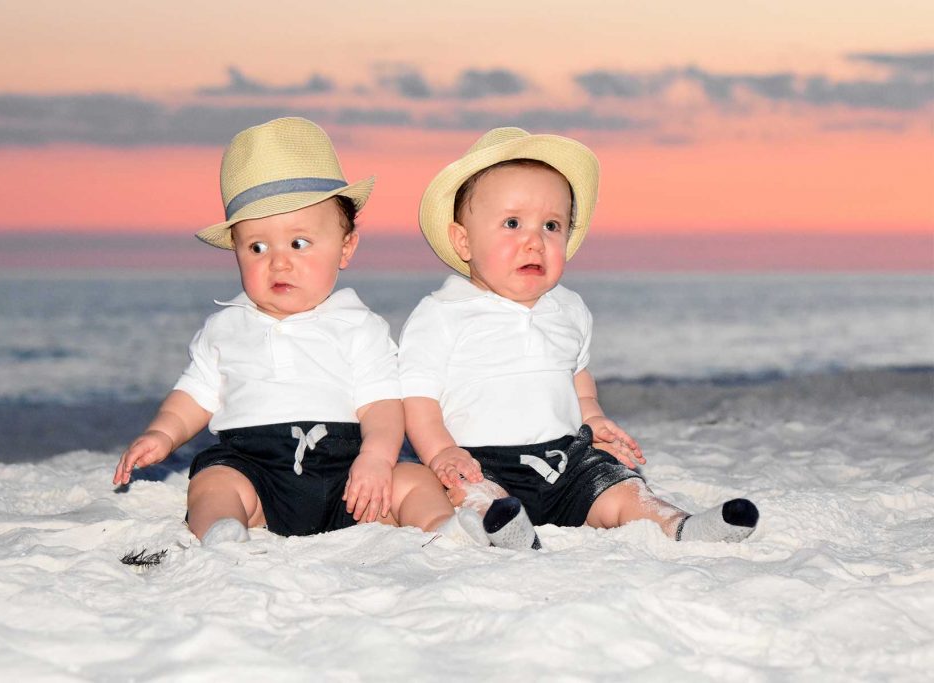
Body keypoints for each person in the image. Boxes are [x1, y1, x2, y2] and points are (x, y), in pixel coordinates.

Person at [112, 117, 488, 547]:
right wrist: (162, 433)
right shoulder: (225, 328)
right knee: (213, 482)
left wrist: (375, 458)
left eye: (299, 243)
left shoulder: (358, 325)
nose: (279, 262)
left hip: (347, 473)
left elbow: (382, 406)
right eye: (257, 246)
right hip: (254, 467)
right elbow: (193, 397)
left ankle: (442, 528)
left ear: (345, 247)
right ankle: (221, 528)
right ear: (235, 250)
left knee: (410, 480)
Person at [399, 127, 759, 546]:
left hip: (563, 459)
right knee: (472, 493)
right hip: (478, 459)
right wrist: (442, 452)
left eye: (552, 225)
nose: (534, 241)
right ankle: (500, 527)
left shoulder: (568, 309)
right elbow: (418, 401)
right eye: (512, 223)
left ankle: (677, 524)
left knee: (621, 485)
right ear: (463, 240)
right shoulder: (441, 314)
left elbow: (577, 378)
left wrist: (593, 419)